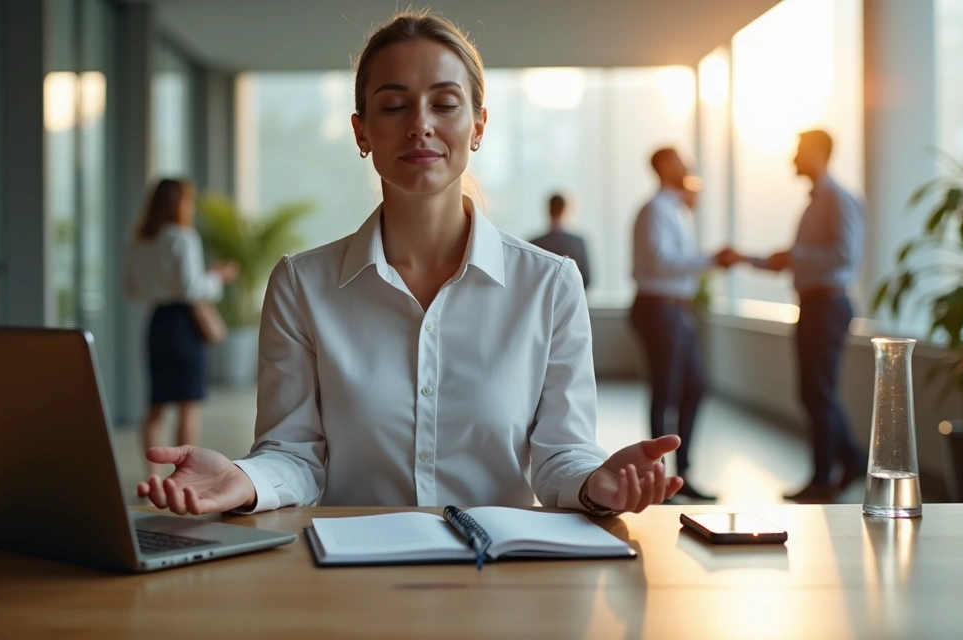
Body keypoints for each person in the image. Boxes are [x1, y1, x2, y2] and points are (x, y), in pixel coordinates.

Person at [136, 9, 686, 517]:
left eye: (445, 103)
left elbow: (560, 456)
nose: (419, 124)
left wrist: (596, 483)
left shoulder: (548, 284)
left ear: (478, 125)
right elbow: (293, 455)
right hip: (349, 587)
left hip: (500, 586)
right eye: (394, 106)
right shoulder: (302, 285)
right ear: (362, 132)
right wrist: (246, 478)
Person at [748, 129, 867, 503]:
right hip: (815, 304)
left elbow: (844, 256)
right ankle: (850, 463)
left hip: (828, 305)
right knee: (816, 391)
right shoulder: (818, 201)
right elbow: (797, 260)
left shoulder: (838, 199)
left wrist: (794, 256)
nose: (792, 158)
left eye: (799, 150)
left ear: (818, 152)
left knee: (817, 391)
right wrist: (747, 259)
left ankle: (823, 480)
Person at [630, 148, 739, 502]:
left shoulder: (676, 209)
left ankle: (683, 473)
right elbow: (662, 262)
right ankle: (658, 478)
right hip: (659, 308)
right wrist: (710, 259)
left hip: (676, 308)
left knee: (695, 387)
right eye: (679, 161)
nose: (687, 166)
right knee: (666, 391)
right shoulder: (655, 211)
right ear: (663, 166)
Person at [124, 178, 238, 476]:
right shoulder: (183, 238)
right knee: (188, 405)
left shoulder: (140, 240)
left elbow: (131, 289)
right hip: (184, 324)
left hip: (157, 322)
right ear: (179, 203)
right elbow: (191, 289)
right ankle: (182, 475)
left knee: (156, 404)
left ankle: (151, 476)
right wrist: (218, 277)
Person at [528, 193, 592, 288]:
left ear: (548, 210)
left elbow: (529, 278)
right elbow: (586, 279)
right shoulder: (578, 242)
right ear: (565, 210)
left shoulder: (533, 243)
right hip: (572, 300)